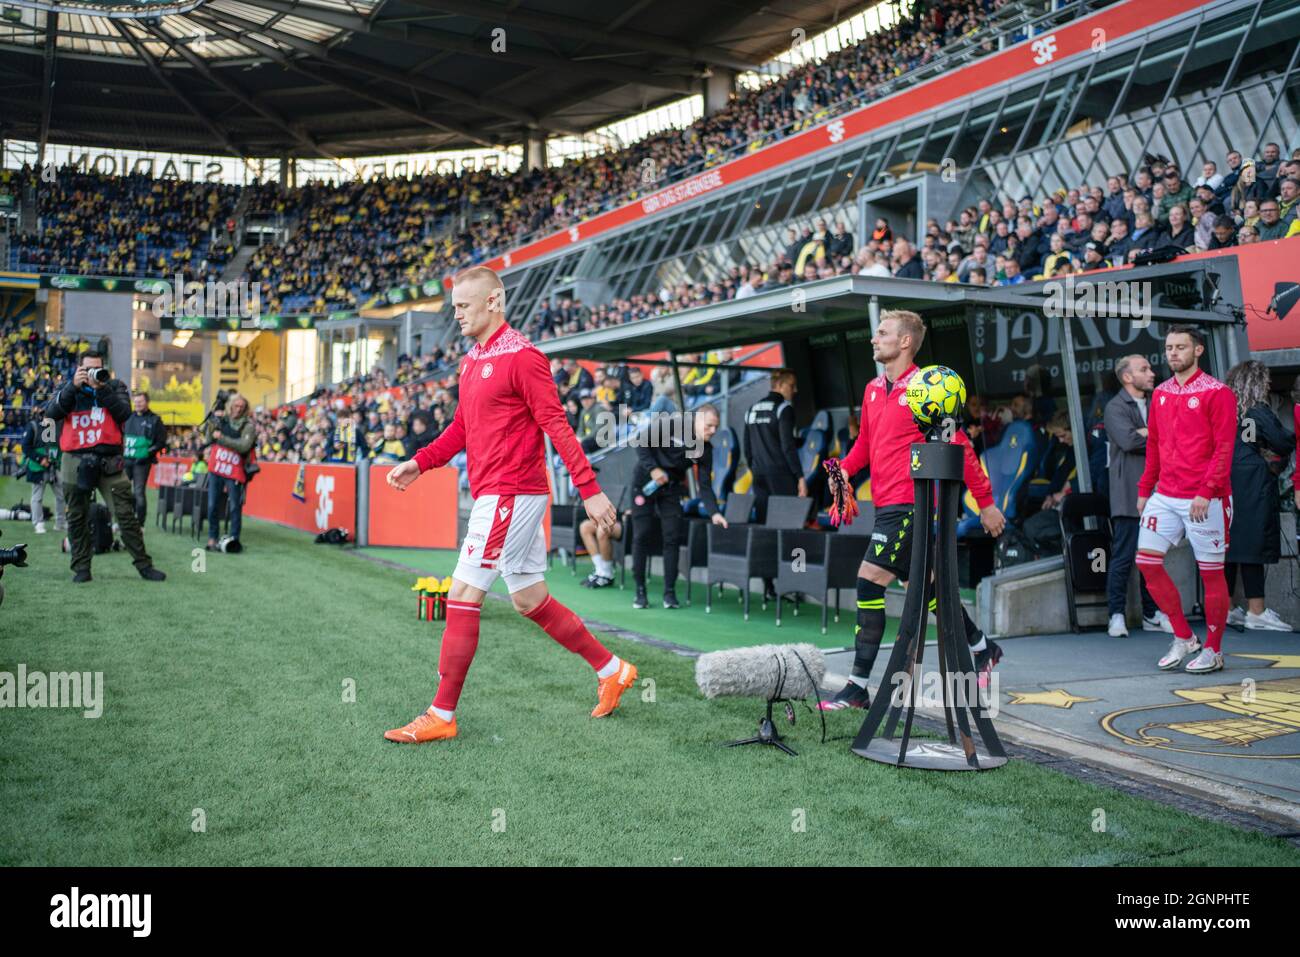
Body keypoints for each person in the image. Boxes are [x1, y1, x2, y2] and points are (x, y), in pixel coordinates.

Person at [383, 266, 631, 743]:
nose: (456, 314)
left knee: (461, 594)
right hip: (498, 494)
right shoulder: (472, 360)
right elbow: (462, 427)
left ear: (494, 302)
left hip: (510, 493)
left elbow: (557, 426)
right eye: (454, 306)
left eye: (464, 306)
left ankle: (442, 714)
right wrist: (421, 461)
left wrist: (589, 488)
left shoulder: (524, 357)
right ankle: (612, 668)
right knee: (528, 599)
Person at [823, 311, 1007, 710]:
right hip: (885, 503)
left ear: (905, 342)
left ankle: (856, 686)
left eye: (883, 333)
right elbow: (866, 447)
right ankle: (982, 647)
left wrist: (987, 502)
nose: (874, 339)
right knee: (927, 590)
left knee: (869, 581)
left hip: (914, 506)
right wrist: (842, 469)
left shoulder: (929, 388)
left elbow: (961, 446)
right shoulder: (873, 389)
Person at [1136, 326, 1236, 674]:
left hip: (1204, 497)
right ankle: (1184, 637)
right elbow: (1153, 446)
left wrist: (1207, 492)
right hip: (1164, 494)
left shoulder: (1218, 392)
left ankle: (1213, 648)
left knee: (1211, 574)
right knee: (1147, 563)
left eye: (1181, 347)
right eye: (1168, 348)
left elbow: (1224, 448)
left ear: (1198, 351)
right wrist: (1144, 490)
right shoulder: (1160, 393)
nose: (1173, 353)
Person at [44, 350, 166, 583]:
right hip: (74, 459)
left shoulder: (115, 386)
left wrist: (102, 388)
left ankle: (144, 565)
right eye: (87, 368)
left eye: (96, 368)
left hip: (109, 461)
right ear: (79, 369)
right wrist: (73, 387)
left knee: (125, 515)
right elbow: (51, 414)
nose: (92, 373)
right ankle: (81, 568)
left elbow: (124, 414)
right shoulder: (68, 388)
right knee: (77, 516)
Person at [629, 404, 728, 610]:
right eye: (709, 426)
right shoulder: (672, 424)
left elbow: (705, 486)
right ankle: (640, 591)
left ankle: (670, 593)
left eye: (716, 427)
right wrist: (654, 469)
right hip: (644, 484)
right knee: (641, 535)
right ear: (698, 420)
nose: (713, 431)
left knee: (672, 538)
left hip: (671, 489)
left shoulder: (706, 449)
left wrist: (715, 513)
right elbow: (640, 443)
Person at [1221, 361, 1294, 631]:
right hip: (1251, 481)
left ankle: (1227, 608)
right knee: (1253, 544)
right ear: (1258, 383)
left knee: (1230, 546)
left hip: (1223, 480)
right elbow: (1282, 441)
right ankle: (1256, 611)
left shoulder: (1226, 409)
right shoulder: (1257, 411)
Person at [1104, 355, 1171, 637]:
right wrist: (1153, 434)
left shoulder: (1159, 401)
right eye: (1144, 369)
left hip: (1159, 492)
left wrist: (1147, 432)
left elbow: (1173, 435)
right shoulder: (1115, 407)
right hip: (1129, 493)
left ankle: (1151, 614)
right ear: (1127, 377)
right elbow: (1129, 441)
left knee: (1153, 557)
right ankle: (1116, 615)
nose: (1152, 373)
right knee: (1123, 557)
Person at [743, 368, 806, 600]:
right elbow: (787, 447)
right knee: (792, 533)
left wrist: (757, 469)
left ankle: (768, 587)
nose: (795, 390)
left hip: (759, 478)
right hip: (782, 479)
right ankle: (794, 585)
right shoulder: (784, 408)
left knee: (765, 531)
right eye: (792, 386)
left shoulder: (750, 410)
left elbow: (747, 451)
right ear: (780, 385)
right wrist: (800, 477)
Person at [201, 392, 254, 551]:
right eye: (236, 406)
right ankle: (212, 537)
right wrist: (212, 421)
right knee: (212, 506)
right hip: (216, 468)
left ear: (245, 409)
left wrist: (222, 438)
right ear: (230, 406)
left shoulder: (248, 426)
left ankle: (234, 540)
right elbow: (208, 438)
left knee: (234, 507)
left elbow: (244, 446)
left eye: (241, 407)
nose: (238, 409)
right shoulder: (221, 420)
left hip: (235, 470)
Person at [122, 391, 167, 524]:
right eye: (135, 402)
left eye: (140, 401)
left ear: (147, 402)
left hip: (142, 463)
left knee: (139, 493)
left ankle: (140, 524)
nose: (137, 404)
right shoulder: (128, 417)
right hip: (126, 461)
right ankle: (124, 520)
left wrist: (147, 453)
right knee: (121, 492)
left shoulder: (155, 420)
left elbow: (161, 442)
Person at [21, 414, 66, 535]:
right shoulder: (33, 426)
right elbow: (25, 446)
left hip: (54, 466)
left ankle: (60, 522)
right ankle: (38, 523)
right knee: (37, 497)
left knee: (62, 495)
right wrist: (40, 459)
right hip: (37, 467)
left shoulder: (58, 425)